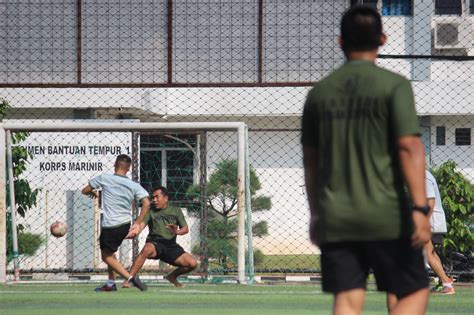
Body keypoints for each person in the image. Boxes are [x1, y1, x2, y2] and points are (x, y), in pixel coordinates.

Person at [302, 5, 431, 315]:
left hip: (337, 217)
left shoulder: (319, 94)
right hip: (387, 216)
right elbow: (409, 147)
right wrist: (419, 208)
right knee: (414, 291)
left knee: (347, 300)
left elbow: (311, 163)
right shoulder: (394, 86)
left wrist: (317, 215)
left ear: (340, 41)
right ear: (383, 39)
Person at [82, 154, 150, 292]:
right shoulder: (133, 185)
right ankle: (110, 283)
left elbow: (85, 190)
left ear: (115, 164)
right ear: (128, 168)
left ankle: (130, 278)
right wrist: (137, 222)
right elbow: (147, 203)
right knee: (111, 252)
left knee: (106, 256)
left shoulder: (104, 178)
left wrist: (93, 193)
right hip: (125, 224)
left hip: (110, 224)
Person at [124, 186, 197, 289]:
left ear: (165, 198)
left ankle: (172, 276)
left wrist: (177, 231)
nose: (154, 200)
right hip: (155, 243)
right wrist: (135, 232)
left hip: (171, 246)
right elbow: (141, 225)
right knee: (146, 249)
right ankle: (128, 279)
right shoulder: (150, 211)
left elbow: (185, 228)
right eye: (153, 197)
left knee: (192, 263)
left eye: (157, 197)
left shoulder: (176, 210)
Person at [425, 170, 454, 294]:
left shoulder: (423, 176)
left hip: (431, 221)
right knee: (431, 253)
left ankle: (447, 284)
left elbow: (430, 201)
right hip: (431, 220)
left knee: (428, 254)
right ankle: (446, 281)